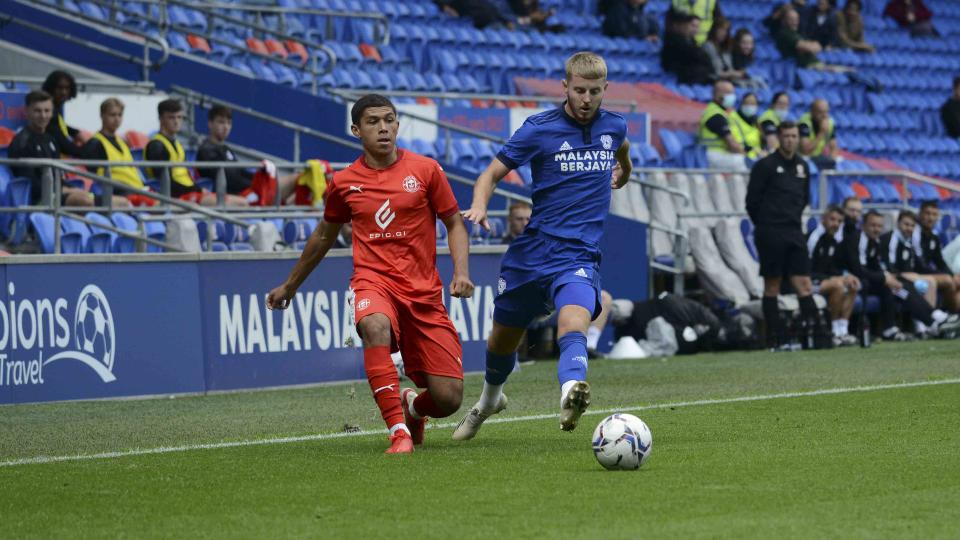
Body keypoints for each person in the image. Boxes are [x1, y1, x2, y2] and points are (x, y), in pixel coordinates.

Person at [266, 94, 475, 454]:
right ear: (356, 130)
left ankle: (412, 408)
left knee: (448, 398)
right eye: (374, 121)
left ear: (397, 125)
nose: (383, 128)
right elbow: (323, 236)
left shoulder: (426, 170)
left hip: (423, 294)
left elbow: (454, 222)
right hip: (373, 283)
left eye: (389, 120)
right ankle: (398, 431)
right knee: (374, 325)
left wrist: (461, 272)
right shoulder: (344, 182)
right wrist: (290, 285)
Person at [453, 51, 632, 439]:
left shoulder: (614, 125)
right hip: (532, 253)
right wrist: (480, 205)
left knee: (574, 321)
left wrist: (625, 172)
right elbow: (491, 173)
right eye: (580, 90)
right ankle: (488, 400)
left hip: (579, 254)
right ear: (565, 87)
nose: (587, 99)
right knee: (503, 338)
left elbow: (622, 152)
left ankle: (572, 391)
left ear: (605, 90)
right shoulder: (539, 128)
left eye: (595, 91)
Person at [746, 121, 825, 349]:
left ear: (798, 138)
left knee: (804, 284)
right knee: (773, 285)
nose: (790, 140)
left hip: (794, 231)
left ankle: (816, 336)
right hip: (770, 232)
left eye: (794, 136)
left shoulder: (803, 166)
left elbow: (804, 199)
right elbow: (752, 203)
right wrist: (767, 224)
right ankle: (775, 339)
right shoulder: (765, 165)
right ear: (779, 138)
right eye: (786, 136)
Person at [848, 211, 959, 339]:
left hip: (879, 280)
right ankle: (932, 322)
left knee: (905, 286)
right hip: (860, 281)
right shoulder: (862, 240)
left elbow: (879, 266)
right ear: (863, 225)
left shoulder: (879, 241)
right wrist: (886, 277)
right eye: (873, 225)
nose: (876, 229)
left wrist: (886, 276)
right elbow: (860, 269)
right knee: (900, 288)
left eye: (879, 226)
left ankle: (932, 320)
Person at [8, 91, 116, 208]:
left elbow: (58, 177)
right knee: (85, 201)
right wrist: (65, 190)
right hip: (40, 200)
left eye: (47, 111)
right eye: (37, 111)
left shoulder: (51, 139)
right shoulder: (22, 143)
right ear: (27, 111)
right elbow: (31, 185)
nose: (43, 116)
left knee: (120, 203)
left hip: (59, 193)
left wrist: (70, 189)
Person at [145, 99, 247, 206]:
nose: (176, 122)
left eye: (180, 117)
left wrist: (197, 189)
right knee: (240, 202)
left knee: (244, 201)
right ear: (161, 119)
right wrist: (195, 190)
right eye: (171, 117)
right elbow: (166, 182)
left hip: (189, 193)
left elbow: (185, 177)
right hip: (176, 198)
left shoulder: (178, 145)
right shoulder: (156, 146)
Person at [196, 105, 297, 205]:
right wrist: (256, 184)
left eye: (229, 123)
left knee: (297, 180)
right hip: (235, 197)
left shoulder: (226, 149)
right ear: (210, 123)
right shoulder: (206, 151)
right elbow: (230, 179)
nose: (226, 127)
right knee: (294, 180)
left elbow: (240, 172)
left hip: (246, 191)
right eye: (221, 122)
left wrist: (259, 177)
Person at [806, 206, 860, 345]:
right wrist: (834, 279)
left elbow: (835, 268)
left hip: (825, 280)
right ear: (823, 218)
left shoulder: (835, 239)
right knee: (838, 286)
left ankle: (843, 330)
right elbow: (806, 270)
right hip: (808, 282)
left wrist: (846, 276)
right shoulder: (813, 238)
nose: (835, 224)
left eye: (839, 221)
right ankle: (833, 331)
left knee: (854, 284)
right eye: (832, 219)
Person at [79, 98, 146, 205]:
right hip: (119, 193)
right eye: (112, 115)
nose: (117, 119)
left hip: (137, 190)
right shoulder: (95, 143)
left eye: (120, 115)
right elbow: (97, 179)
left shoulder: (122, 142)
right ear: (102, 116)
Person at [880, 210, 939, 311]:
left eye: (912, 226)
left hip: (905, 274)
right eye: (906, 224)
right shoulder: (891, 239)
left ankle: (930, 318)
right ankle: (928, 317)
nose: (909, 228)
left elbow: (916, 263)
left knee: (931, 281)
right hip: (892, 276)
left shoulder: (909, 240)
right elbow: (890, 267)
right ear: (898, 223)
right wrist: (907, 275)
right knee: (923, 284)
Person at [913, 200, 960, 311]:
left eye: (934, 214)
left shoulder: (934, 237)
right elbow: (920, 265)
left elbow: (940, 262)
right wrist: (949, 277)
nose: (931, 218)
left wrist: (953, 275)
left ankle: (953, 318)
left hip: (926, 274)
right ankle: (949, 316)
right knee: (948, 281)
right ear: (920, 214)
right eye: (927, 213)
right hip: (913, 275)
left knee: (953, 281)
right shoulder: (914, 233)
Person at [697, 80, 749, 171]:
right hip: (714, 154)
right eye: (729, 93)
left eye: (733, 93)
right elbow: (732, 144)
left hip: (721, 153)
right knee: (745, 162)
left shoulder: (720, 111)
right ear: (717, 95)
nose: (733, 96)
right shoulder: (715, 115)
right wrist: (747, 155)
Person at [661, 14, 714, 85]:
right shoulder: (673, 40)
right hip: (683, 76)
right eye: (693, 26)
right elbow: (692, 56)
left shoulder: (692, 42)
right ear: (684, 25)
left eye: (697, 27)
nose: (695, 29)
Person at [40, 70, 83, 157]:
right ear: (51, 88)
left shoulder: (57, 109)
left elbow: (58, 126)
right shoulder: (49, 114)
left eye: (67, 88)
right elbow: (66, 148)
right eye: (59, 88)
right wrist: (89, 151)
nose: (64, 92)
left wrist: (75, 132)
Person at [799, 98, 839, 170]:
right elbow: (805, 150)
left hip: (818, 157)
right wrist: (821, 133)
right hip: (803, 157)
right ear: (812, 112)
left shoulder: (830, 122)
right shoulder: (805, 123)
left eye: (826, 112)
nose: (824, 115)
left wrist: (832, 160)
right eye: (820, 112)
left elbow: (833, 148)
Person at [435, 0, 512, 29]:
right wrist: (446, 8)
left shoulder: (482, 3)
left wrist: (505, 21)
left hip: (479, 22)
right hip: (467, 22)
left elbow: (492, 9)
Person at [733, 92, 764, 158]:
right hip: (741, 156)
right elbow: (735, 142)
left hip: (757, 157)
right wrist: (753, 149)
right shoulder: (733, 118)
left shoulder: (756, 121)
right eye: (747, 103)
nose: (750, 106)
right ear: (741, 104)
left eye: (753, 104)